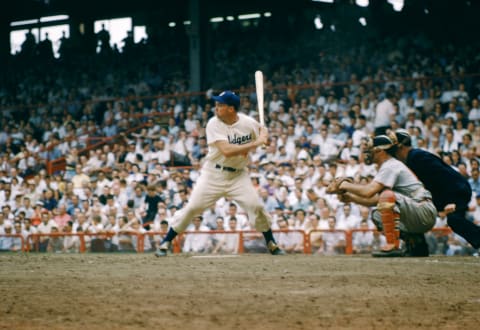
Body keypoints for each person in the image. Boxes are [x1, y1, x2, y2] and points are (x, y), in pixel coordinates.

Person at [155, 91, 285, 256]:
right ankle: (166, 241)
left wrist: (264, 137)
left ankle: (271, 242)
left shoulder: (249, 123)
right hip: (213, 174)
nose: (216, 107)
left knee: (256, 206)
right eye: (216, 104)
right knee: (193, 208)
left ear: (231, 109)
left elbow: (262, 138)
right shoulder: (213, 124)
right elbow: (227, 151)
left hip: (238, 176)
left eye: (220, 105)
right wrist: (256, 143)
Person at [329, 134, 437, 257]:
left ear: (380, 151)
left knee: (387, 196)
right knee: (377, 214)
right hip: (417, 211)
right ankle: (416, 243)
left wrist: (344, 185)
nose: (367, 153)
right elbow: (375, 200)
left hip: (422, 210)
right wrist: (351, 198)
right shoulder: (387, 166)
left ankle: (392, 246)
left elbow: (368, 191)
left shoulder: (390, 166)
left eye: (371, 150)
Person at [393, 129, 480, 253]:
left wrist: (451, 201)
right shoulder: (412, 158)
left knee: (454, 220)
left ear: (400, 147)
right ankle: (418, 247)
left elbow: (443, 176)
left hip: (456, 191)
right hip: (451, 192)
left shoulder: (418, 157)